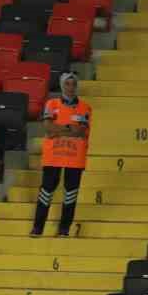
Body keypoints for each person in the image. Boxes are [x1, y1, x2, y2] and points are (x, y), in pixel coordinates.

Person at [30, 72, 92, 238]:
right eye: (67, 84)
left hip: (75, 157)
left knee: (70, 193)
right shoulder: (51, 103)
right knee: (46, 191)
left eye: (73, 84)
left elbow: (80, 131)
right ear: (61, 85)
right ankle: (38, 228)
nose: (70, 88)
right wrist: (69, 128)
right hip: (53, 155)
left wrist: (58, 128)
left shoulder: (85, 107)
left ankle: (64, 229)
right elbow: (48, 128)